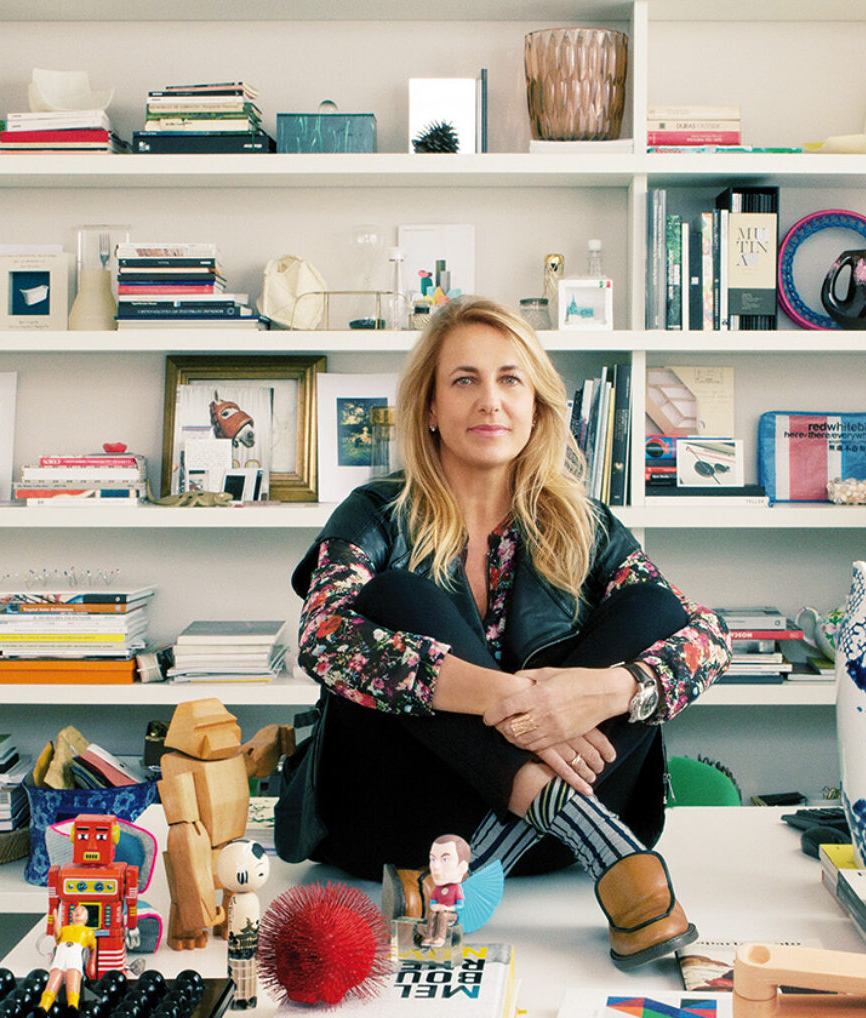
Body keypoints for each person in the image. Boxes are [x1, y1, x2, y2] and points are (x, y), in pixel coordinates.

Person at [288, 296, 729, 969]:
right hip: (405, 819)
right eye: (464, 380)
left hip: (499, 854)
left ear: (536, 407)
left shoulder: (583, 520)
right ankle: (615, 857)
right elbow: (323, 636)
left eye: (510, 380)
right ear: (431, 408)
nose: (489, 401)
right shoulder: (378, 510)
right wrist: (508, 699)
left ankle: (495, 855)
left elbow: (707, 638)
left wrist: (604, 691)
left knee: (656, 612)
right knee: (394, 596)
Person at [39, 903, 95, 1015]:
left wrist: (91, 964)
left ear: (86, 918)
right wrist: (55, 918)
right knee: (54, 979)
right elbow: (57, 935)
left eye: (82, 911)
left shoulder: (88, 931)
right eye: (76, 911)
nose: (78, 912)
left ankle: (73, 1006)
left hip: (74, 956)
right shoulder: (64, 929)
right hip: (61, 955)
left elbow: (93, 949)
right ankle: (43, 1007)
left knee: (73, 978)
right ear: (71, 915)